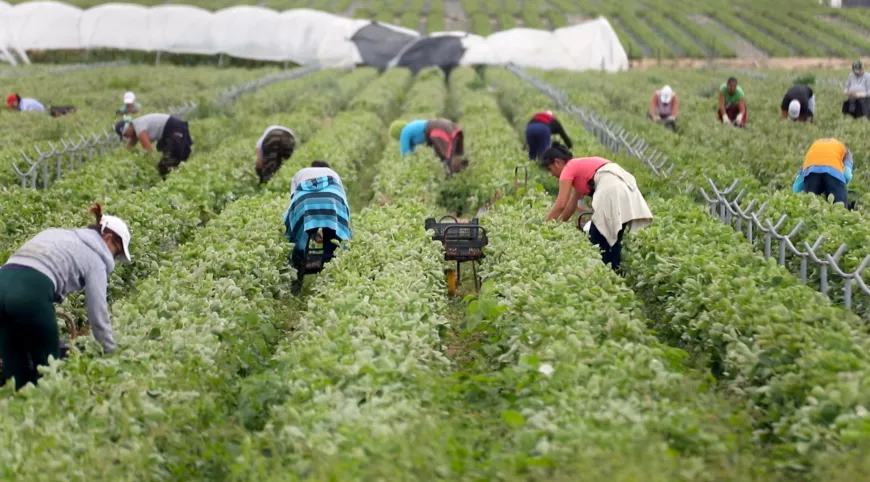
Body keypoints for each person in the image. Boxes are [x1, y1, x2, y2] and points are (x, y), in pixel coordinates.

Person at [0, 203, 131, 390]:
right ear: (108, 238)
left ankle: (17, 411)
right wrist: (110, 352)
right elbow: (98, 313)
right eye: (116, 253)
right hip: (30, 293)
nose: (114, 259)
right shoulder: (96, 257)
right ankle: (45, 412)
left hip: (3, 280)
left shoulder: (58, 234)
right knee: (48, 366)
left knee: (15, 369)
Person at [540, 143, 652, 272]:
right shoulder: (578, 166)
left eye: (550, 169)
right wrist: (558, 224)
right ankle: (615, 276)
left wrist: (545, 226)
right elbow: (571, 205)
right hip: (624, 189)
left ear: (557, 162)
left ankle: (606, 274)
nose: (551, 174)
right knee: (613, 238)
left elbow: (561, 204)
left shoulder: (568, 169)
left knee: (596, 239)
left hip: (611, 190)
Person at [283, 161, 351, 293]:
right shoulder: (333, 174)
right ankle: (329, 284)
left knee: (300, 239)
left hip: (305, 201)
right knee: (333, 237)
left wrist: (312, 232)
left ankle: (296, 285)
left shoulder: (300, 174)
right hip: (333, 200)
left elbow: (294, 201)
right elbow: (342, 200)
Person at [115, 113, 194, 178]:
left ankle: (176, 180)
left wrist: (150, 165)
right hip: (171, 130)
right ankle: (178, 177)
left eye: (125, 134)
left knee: (168, 163)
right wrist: (119, 158)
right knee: (173, 161)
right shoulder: (136, 126)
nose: (127, 137)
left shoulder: (139, 129)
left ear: (128, 127)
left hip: (175, 129)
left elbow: (148, 150)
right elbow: (129, 146)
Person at [392, 118, 468, 174]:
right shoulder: (410, 128)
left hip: (439, 129)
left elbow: (405, 155)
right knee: (454, 155)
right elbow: (411, 153)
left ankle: (452, 181)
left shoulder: (404, 133)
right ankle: (462, 174)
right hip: (445, 125)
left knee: (446, 158)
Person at [792, 138, 853, 207]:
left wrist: (795, 198)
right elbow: (847, 175)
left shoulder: (814, 147)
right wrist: (841, 188)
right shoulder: (846, 152)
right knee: (840, 208)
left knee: (809, 205)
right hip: (834, 172)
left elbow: (798, 182)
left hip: (811, 172)